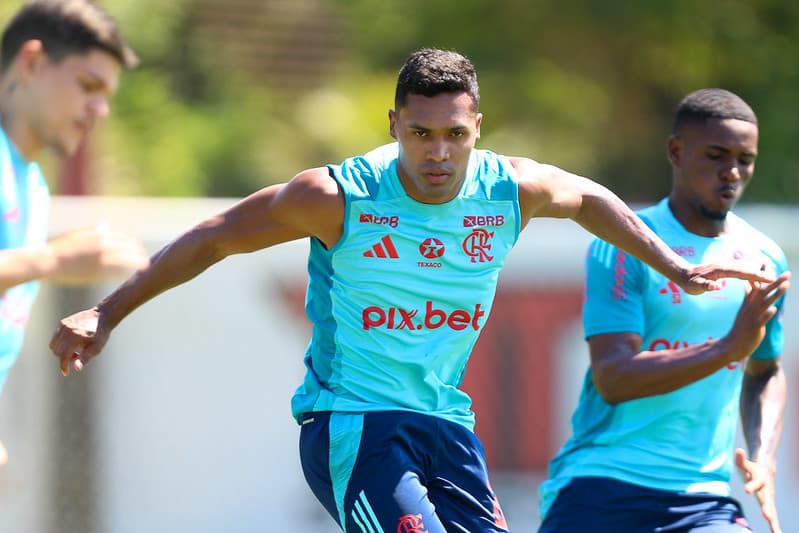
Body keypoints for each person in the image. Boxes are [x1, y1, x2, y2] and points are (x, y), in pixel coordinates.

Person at [49, 50, 774, 533]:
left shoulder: (505, 187)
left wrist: (672, 266)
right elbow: (214, 234)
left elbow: (586, 198)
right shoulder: (340, 196)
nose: (436, 153)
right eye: (420, 134)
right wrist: (106, 310)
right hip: (353, 424)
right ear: (394, 124)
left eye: (452, 135)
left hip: (445, 424)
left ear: (475, 130)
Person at [537, 88, 790, 533]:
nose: (731, 172)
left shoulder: (764, 257)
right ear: (676, 151)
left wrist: (763, 457)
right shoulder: (627, 243)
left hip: (703, 498)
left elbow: (765, 370)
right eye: (715, 155)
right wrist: (729, 347)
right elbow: (613, 377)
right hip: (603, 486)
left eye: (744, 159)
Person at [0, 0, 149, 466]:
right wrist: (51, 261)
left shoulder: (32, 186)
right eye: (88, 85)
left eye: (106, 94)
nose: (100, 109)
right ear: (33, 62)